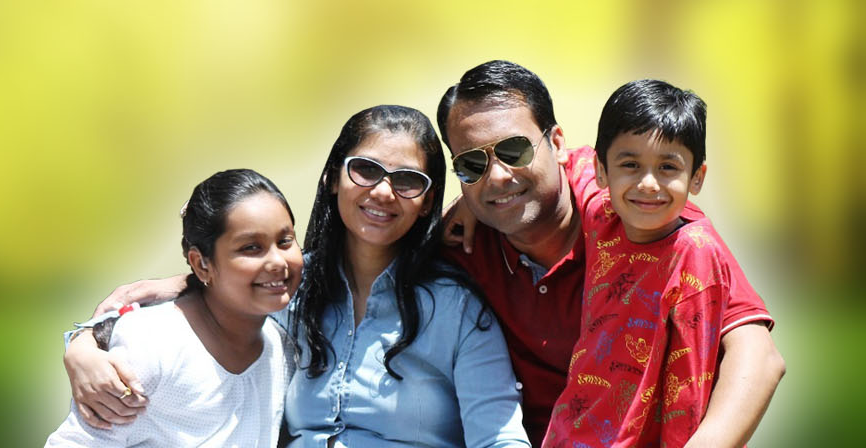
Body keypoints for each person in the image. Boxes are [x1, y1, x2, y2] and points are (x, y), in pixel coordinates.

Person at [63, 105, 530, 447]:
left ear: (427, 201)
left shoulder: (459, 311)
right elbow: (207, 302)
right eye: (366, 170)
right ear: (333, 177)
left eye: (408, 180)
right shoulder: (288, 291)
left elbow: (500, 438)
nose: (384, 192)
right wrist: (81, 346)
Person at [435, 61, 785, 444]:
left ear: (557, 144)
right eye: (472, 163)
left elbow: (758, 358)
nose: (498, 175)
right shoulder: (460, 246)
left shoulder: (640, 213)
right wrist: (470, 200)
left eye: (514, 150)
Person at [541, 79, 779, 447]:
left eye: (668, 167)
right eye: (630, 164)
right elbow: (575, 159)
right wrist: (469, 202)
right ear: (603, 171)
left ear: (696, 177)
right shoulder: (602, 211)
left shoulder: (695, 251)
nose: (649, 183)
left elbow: (692, 384)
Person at [46, 169, 300, 447]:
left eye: (285, 241)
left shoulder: (283, 349)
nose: (278, 261)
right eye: (251, 247)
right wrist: (82, 343)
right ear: (202, 264)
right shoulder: (154, 343)